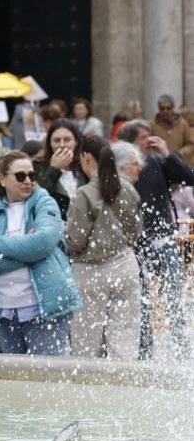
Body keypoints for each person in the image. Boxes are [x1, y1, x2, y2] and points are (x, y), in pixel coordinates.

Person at [0, 151, 81, 355]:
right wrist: (27, 254)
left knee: (46, 380)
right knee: (10, 382)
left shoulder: (45, 202)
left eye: (31, 175)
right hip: (1, 313)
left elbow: (42, 243)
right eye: (20, 176)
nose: (28, 181)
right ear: (2, 179)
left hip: (45, 310)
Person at [115, 119, 194, 358]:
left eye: (149, 135)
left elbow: (189, 178)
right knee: (141, 299)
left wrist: (168, 154)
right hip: (134, 243)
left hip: (163, 239)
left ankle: (182, 351)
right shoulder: (119, 167)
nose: (148, 140)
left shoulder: (158, 161)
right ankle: (144, 352)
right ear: (129, 142)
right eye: (142, 137)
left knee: (173, 295)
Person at [65, 135, 141, 359]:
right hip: (124, 265)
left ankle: (89, 391)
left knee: (86, 342)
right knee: (125, 341)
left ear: (86, 158)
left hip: (90, 270)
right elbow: (134, 232)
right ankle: (124, 390)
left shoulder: (84, 193)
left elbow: (75, 241)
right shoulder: (127, 189)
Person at [34, 119, 80, 219]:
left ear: (76, 142)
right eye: (57, 140)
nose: (62, 145)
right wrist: (54, 169)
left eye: (67, 140)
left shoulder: (84, 168)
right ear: (49, 143)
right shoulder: (38, 168)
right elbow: (37, 199)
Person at [152, 94, 194, 165]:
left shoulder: (183, 124)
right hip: (160, 164)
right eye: (162, 108)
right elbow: (148, 146)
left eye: (168, 108)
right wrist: (161, 155)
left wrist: (179, 153)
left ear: (173, 107)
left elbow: (190, 145)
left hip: (179, 164)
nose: (165, 111)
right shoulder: (151, 125)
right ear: (159, 108)